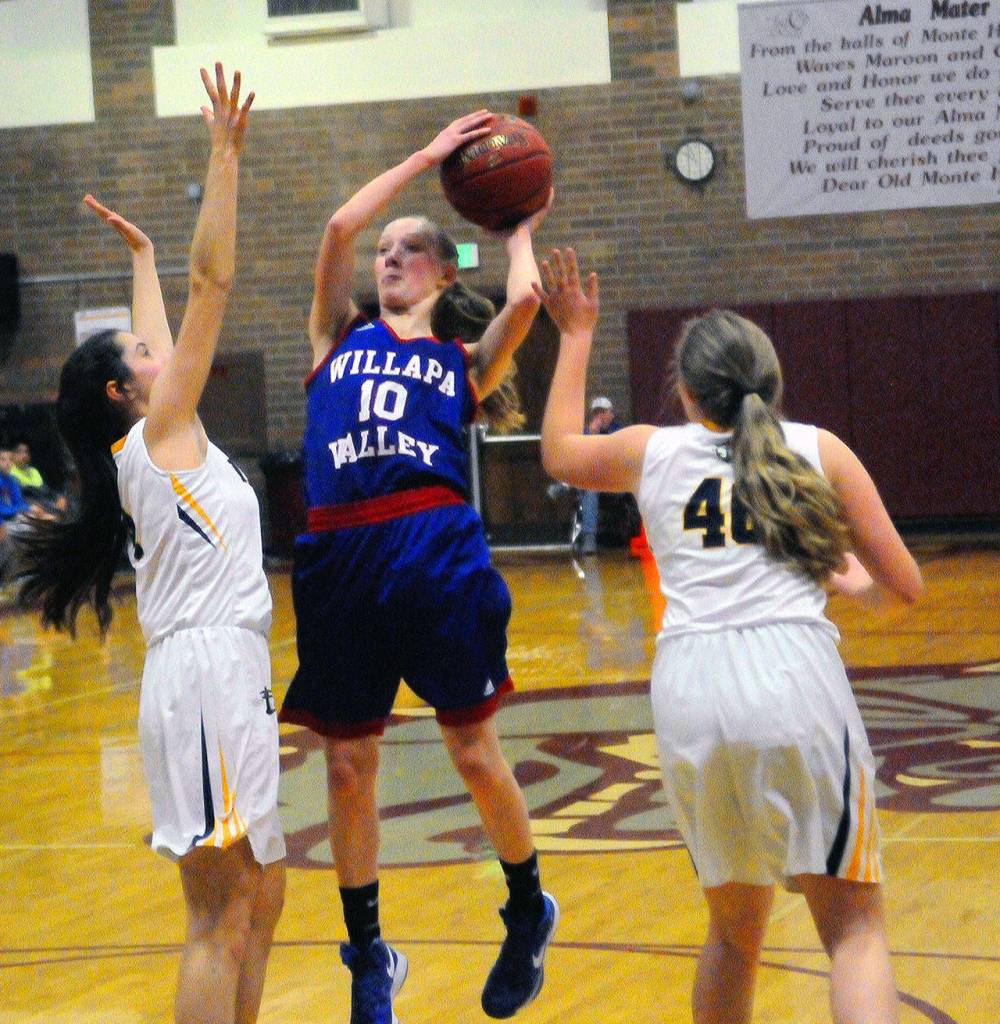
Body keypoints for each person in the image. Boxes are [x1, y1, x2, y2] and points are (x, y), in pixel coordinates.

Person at [536, 248, 924, 1024]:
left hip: (691, 690)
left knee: (733, 933)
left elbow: (559, 455)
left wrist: (575, 335)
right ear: (771, 382)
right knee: (853, 931)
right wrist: (850, 585)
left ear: (683, 391)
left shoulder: (651, 450)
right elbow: (904, 587)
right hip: (792, 678)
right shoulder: (818, 449)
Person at [14, 65, 286, 1024]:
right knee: (218, 913)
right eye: (140, 353)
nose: (156, 348)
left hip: (227, 670)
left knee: (264, 887)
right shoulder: (159, 433)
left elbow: (169, 316)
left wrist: (142, 253)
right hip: (205, 674)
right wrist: (223, 157)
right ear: (127, 395)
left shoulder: (157, 429)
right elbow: (213, 283)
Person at [279, 110, 558, 1024]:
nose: (387, 259)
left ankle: (526, 909)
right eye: (386, 252)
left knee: (472, 749)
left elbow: (523, 302)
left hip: (434, 548)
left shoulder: (460, 362)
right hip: (341, 551)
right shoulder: (334, 338)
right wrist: (429, 160)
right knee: (349, 768)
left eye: (409, 250)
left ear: (442, 269)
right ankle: (368, 955)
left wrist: (520, 220)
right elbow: (336, 230)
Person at [578, 395, 621, 554]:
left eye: (604, 412)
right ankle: (589, 538)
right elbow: (580, 456)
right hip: (594, 481)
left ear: (611, 414)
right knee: (590, 490)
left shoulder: (618, 431)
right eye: (597, 413)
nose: (601, 417)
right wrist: (592, 435)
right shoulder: (585, 433)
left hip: (616, 482)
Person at [10, 440, 67, 515]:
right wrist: (53, 507)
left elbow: (47, 491)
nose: (24, 455)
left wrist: (59, 498)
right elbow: (26, 496)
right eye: (19, 452)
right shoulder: (9, 472)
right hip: (30, 508)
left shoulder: (34, 471)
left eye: (26, 452)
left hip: (47, 504)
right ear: (11, 455)